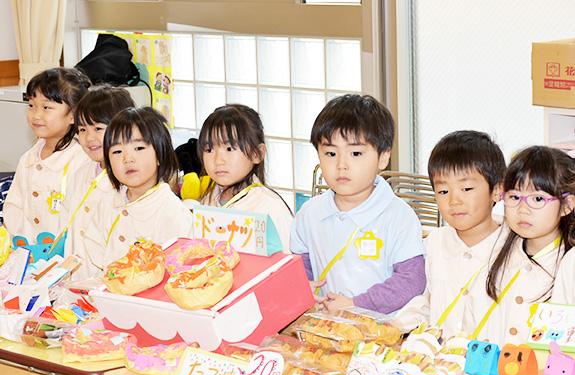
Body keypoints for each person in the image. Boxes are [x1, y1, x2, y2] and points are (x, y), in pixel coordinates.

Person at [290, 94, 426, 315]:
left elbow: (411, 282)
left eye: (355, 153)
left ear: (383, 157)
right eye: (331, 153)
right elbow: (299, 267)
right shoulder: (309, 214)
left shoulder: (399, 216)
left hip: (379, 338)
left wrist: (358, 303)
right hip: (324, 330)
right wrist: (303, 289)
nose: (342, 165)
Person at [394, 130, 507, 339]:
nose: (454, 200)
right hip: (439, 364)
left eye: (466, 188)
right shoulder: (434, 243)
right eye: (443, 192)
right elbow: (425, 300)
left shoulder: (514, 249)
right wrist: (392, 330)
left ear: (497, 189)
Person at [463, 146, 575, 346]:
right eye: (514, 197)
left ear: (566, 205)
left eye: (538, 199)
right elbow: (471, 321)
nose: (523, 209)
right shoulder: (496, 250)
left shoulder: (569, 266)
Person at [83, 107, 194, 270]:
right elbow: (95, 249)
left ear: (160, 155)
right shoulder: (106, 201)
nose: (128, 159)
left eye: (139, 148)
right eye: (117, 151)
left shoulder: (173, 213)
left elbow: (180, 268)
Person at [3, 68, 92, 245]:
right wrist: (19, 245)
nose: (36, 115)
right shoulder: (27, 159)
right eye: (31, 105)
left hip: (64, 259)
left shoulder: (82, 160)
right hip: (27, 256)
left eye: (46, 107)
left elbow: (82, 219)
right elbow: (13, 207)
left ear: (73, 115)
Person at [194, 104, 293, 253]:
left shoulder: (272, 208)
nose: (218, 160)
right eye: (209, 149)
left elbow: (288, 267)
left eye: (230, 148)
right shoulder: (208, 200)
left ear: (257, 154)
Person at [60, 86, 135, 280]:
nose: (89, 137)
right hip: (75, 281)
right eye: (82, 129)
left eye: (98, 129)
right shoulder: (80, 173)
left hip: (108, 282)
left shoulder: (129, 180)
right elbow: (67, 224)